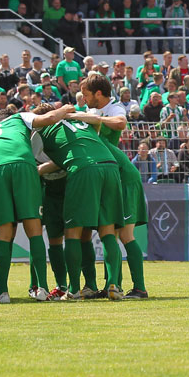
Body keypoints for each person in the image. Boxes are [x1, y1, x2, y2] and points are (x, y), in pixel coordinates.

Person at [34, 103, 126, 301]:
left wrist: (39, 170)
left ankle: (74, 289)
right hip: (110, 166)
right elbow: (96, 124)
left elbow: (47, 158)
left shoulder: (41, 131)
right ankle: (113, 285)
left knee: (73, 232)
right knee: (108, 230)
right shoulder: (80, 122)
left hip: (83, 169)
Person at [0, 106, 70, 303]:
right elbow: (49, 117)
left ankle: (3, 292)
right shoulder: (20, 117)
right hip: (24, 167)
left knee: (3, 234)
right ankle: (42, 289)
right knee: (34, 230)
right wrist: (65, 109)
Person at [73, 72, 149, 299]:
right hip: (109, 177)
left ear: (99, 93)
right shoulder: (91, 110)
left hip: (123, 177)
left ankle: (139, 288)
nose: (83, 99)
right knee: (108, 232)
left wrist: (94, 119)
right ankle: (111, 285)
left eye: (86, 95)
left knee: (125, 234)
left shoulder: (115, 109)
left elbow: (120, 123)